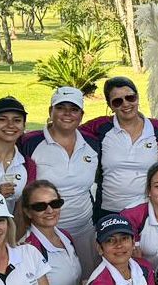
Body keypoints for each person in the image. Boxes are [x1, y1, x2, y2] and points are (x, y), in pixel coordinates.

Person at [18, 86, 101, 272]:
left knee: (86, 279)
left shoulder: (92, 144)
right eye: (61, 107)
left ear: (81, 114)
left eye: (73, 109)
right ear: (50, 111)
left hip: (84, 229)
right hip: (45, 231)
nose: (67, 114)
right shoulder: (30, 143)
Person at [15, 181, 84, 285]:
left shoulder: (66, 237)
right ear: (28, 212)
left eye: (55, 203)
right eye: (40, 206)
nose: (50, 210)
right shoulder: (27, 249)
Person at [87, 76, 158, 215]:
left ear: (137, 98)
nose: (125, 104)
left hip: (147, 211)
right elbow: (69, 130)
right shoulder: (100, 127)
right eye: (117, 101)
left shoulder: (156, 128)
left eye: (130, 98)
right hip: (108, 210)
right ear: (110, 106)